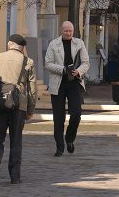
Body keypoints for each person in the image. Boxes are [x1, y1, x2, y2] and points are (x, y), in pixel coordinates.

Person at [0, 33, 37, 184]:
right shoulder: (28, 61)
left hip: (0, 103)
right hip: (18, 105)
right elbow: (32, 89)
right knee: (16, 140)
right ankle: (15, 176)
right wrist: (30, 110)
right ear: (22, 48)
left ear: (9, 44)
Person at [44, 21, 90, 156]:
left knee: (76, 114)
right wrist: (63, 69)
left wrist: (79, 71)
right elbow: (48, 64)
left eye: (70, 31)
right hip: (58, 84)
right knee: (59, 117)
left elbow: (86, 62)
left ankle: (70, 139)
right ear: (61, 30)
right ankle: (59, 146)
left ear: (73, 31)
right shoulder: (53, 44)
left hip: (74, 83)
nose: (68, 33)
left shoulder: (79, 43)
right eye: (66, 31)